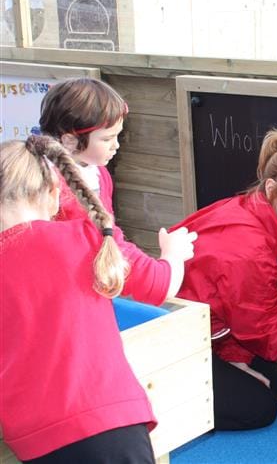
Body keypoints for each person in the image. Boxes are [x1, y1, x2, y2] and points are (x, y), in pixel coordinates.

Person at [0, 135, 196, 463]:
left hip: (36, 439)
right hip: (113, 420)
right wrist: (173, 257)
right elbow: (158, 284)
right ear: (53, 194)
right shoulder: (86, 237)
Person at [171, 128, 277, 431]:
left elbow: (235, 315)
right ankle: (156, 404)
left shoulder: (246, 208)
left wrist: (232, 357)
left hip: (201, 331)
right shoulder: (250, 251)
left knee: (274, 380)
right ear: (272, 187)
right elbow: (270, 338)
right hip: (170, 342)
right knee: (260, 408)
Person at [38, 77, 193, 300]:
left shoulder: (98, 173)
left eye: (118, 136)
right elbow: (158, 285)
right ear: (70, 141)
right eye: (108, 138)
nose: (116, 145)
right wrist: (173, 255)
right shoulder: (64, 199)